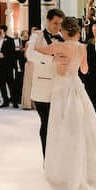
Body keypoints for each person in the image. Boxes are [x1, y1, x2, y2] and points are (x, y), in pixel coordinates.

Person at [34, 17, 96, 190]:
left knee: (61, 126)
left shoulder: (59, 46)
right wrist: (75, 63)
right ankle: (84, 168)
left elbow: (37, 49)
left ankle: (64, 168)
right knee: (81, 126)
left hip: (62, 88)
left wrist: (41, 36)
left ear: (63, 31)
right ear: (77, 32)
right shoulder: (82, 47)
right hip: (76, 85)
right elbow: (85, 70)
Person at [26, 9, 67, 158]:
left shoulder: (63, 37)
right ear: (48, 21)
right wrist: (51, 59)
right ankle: (47, 160)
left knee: (59, 125)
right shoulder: (37, 36)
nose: (58, 27)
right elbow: (29, 54)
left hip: (61, 88)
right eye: (55, 23)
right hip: (42, 89)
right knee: (47, 123)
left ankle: (58, 158)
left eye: (60, 24)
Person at [0, 24, 16, 108]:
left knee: (11, 84)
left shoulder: (10, 40)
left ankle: (14, 101)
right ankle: (5, 101)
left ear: (2, 30)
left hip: (7, 65)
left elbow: (13, 53)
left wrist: (4, 55)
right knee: (1, 84)